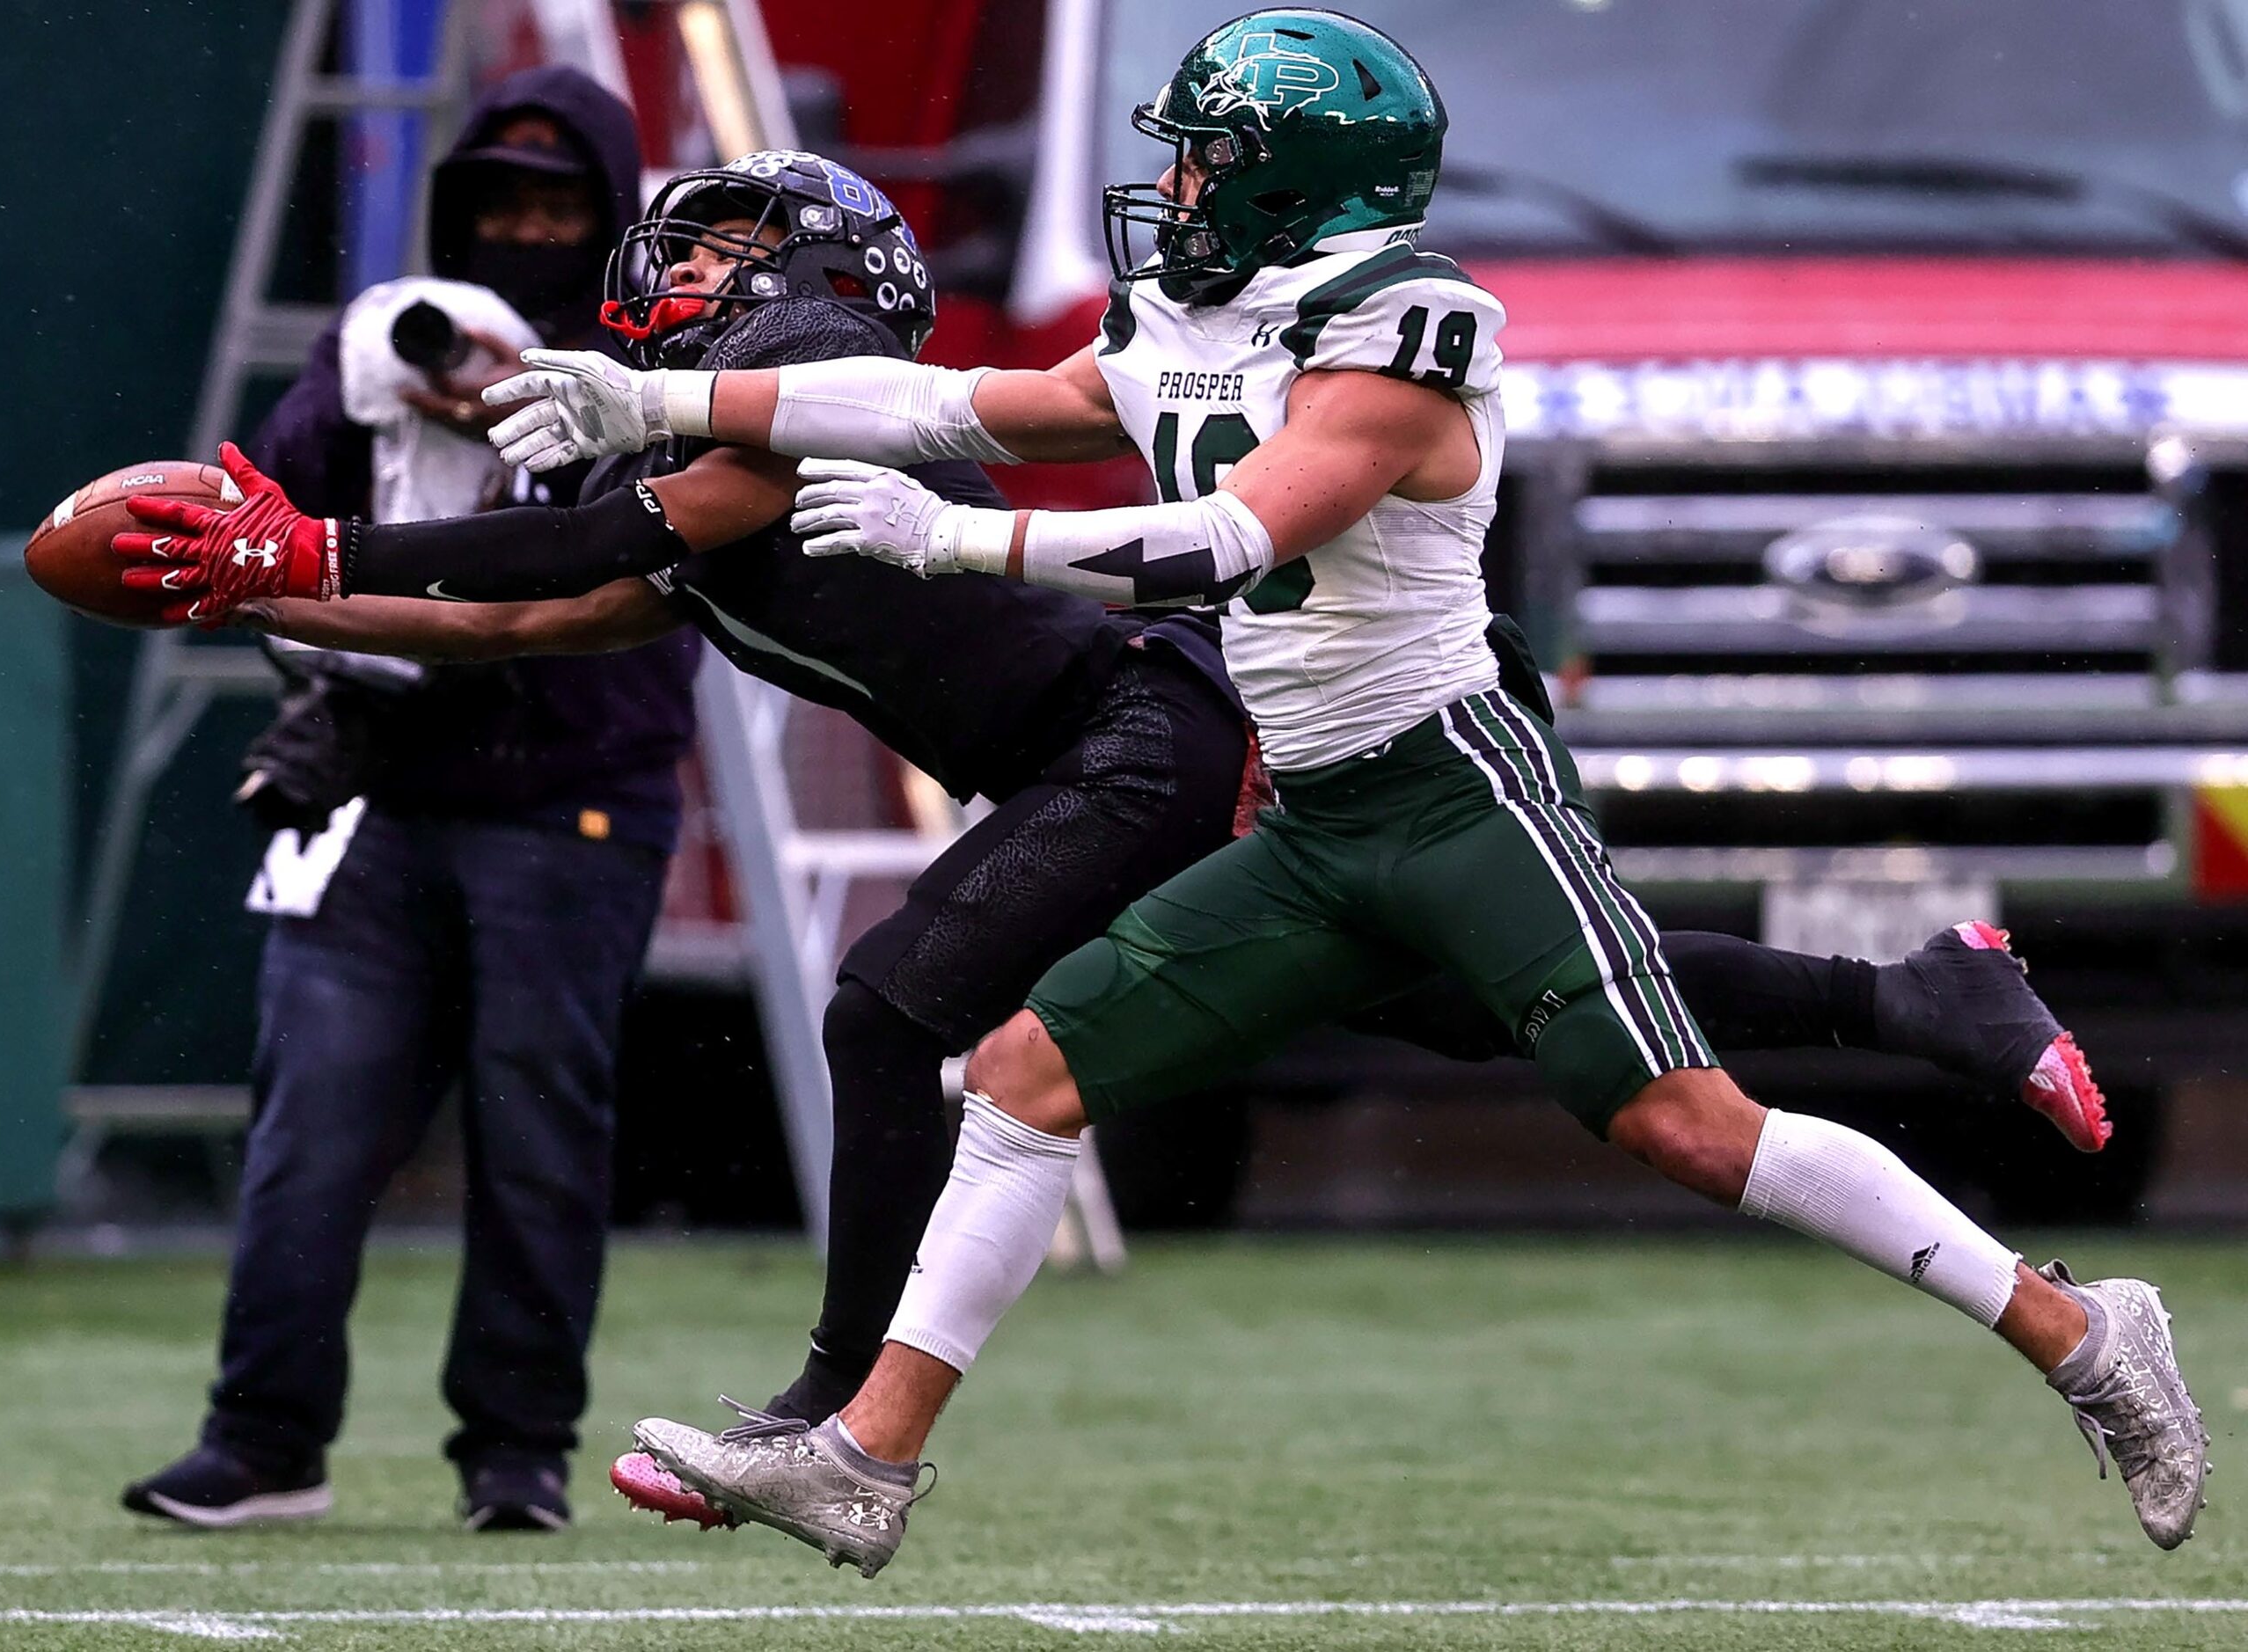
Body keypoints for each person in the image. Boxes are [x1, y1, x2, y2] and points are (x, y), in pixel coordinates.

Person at [468, 12, 2208, 1574]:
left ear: (1299, 180)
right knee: (1021, 1074)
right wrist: (663, 389)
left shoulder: (1404, 334)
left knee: (1685, 1126)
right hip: (1309, 823)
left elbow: (1236, 532)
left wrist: (970, 538)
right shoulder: (1188, 315)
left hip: (1456, 795)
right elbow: (958, 398)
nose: (1174, 184)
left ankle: (2079, 1332)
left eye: (1206, 156)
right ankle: (865, 1461)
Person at [120, 67, 701, 1533]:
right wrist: (373, 384)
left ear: (607, 223)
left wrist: (523, 410)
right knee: (312, 1117)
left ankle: (518, 1451)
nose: (521, 230)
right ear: (449, 217)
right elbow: (263, 505)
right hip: (373, 795)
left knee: (536, 1129)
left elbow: (588, 573)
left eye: (556, 207)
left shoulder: (659, 375)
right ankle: (262, 1436)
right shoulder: (380, 346)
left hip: (571, 797)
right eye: (495, 204)